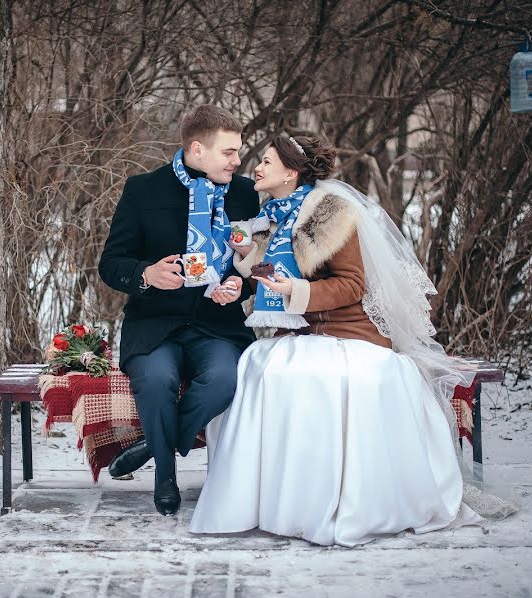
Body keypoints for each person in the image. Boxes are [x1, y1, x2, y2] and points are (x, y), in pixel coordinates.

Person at [189, 134, 512, 546]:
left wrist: (294, 292)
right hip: (308, 330)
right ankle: (268, 499)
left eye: (266, 161)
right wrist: (249, 257)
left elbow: (351, 284)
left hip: (351, 334)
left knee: (302, 375)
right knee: (256, 364)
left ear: (291, 172)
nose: (257, 167)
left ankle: (330, 501)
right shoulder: (278, 215)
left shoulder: (331, 215)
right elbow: (275, 273)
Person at [97, 105, 260, 515]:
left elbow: (260, 263)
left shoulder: (244, 194)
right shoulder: (143, 190)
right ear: (197, 148)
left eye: (238, 151)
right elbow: (111, 263)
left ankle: (153, 446)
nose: (237, 161)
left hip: (218, 325)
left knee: (225, 381)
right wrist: (146, 274)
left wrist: (241, 284)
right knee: (155, 381)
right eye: (228, 152)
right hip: (155, 322)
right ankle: (165, 476)